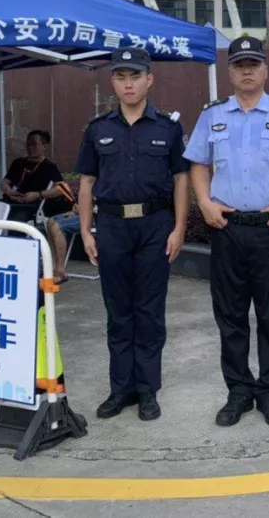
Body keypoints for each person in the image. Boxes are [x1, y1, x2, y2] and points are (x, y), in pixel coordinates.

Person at [184, 36, 269, 428]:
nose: (247, 71)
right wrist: (204, 202)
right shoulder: (212, 115)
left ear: (265, 69)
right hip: (227, 228)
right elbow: (198, 163)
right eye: (240, 65)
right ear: (230, 72)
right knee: (231, 316)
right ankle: (238, 391)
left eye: (253, 64)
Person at [75, 47, 189, 423]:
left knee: (150, 311)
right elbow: (86, 182)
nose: (128, 84)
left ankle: (147, 389)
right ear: (113, 82)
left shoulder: (168, 128)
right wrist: (86, 231)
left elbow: (181, 180)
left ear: (149, 80)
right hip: (112, 227)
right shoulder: (98, 129)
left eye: (135, 76)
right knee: (118, 311)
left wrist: (179, 229)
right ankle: (121, 388)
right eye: (121, 77)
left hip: (155, 226)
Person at [0, 130, 67, 223]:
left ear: (45, 146)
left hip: (29, 206)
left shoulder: (49, 167)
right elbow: (4, 182)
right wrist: (8, 190)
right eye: (28, 144)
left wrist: (38, 195)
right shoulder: (18, 162)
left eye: (34, 145)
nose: (30, 148)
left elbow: (63, 189)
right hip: (10, 201)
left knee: (16, 220)